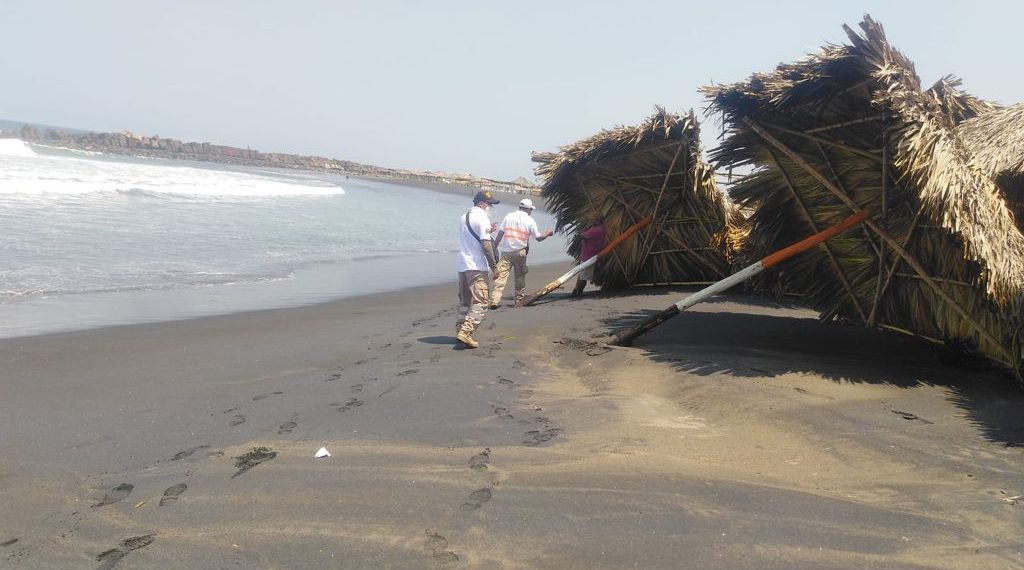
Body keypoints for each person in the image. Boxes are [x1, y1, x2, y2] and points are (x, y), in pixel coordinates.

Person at [490, 198, 554, 308]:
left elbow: (500, 234)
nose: (531, 211)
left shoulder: (509, 216)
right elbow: (539, 238)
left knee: (501, 277)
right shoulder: (530, 221)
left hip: (506, 252)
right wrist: (548, 233)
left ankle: (495, 300)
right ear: (528, 209)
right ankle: (518, 300)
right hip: (520, 252)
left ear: (520, 207)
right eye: (531, 210)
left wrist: (494, 247)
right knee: (520, 278)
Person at [456, 191, 501, 348]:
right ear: (482, 204)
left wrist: (489, 230)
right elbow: (486, 246)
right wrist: (494, 267)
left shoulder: (464, 217)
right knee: (482, 301)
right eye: (489, 204)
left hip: (462, 265)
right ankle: (466, 332)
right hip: (476, 266)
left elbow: (471, 235)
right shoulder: (482, 218)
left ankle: (459, 328)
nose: (490, 207)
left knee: (465, 302)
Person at [571, 213, 607, 297]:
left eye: (594, 220)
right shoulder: (600, 228)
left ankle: (578, 290)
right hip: (590, 253)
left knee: (583, 275)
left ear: (598, 221)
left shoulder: (596, 230)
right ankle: (577, 289)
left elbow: (583, 235)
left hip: (589, 255)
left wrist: (585, 229)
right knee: (582, 273)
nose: (592, 221)